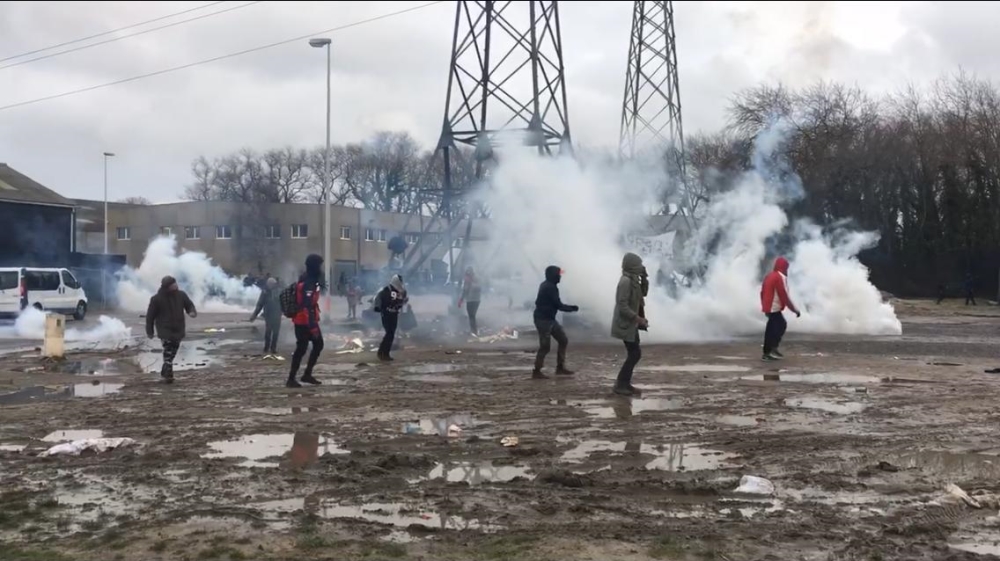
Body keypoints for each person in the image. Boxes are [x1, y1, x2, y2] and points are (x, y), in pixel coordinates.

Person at [145, 275, 197, 384]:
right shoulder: (156, 299)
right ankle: (168, 375)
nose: (175, 285)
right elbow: (150, 317)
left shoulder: (181, 295)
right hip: (165, 329)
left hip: (178, 328)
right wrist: (149, 331)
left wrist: (191, 312)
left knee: (173, 351)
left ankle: (165, 371)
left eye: (175, 283)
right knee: (168, 351)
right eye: (173, 284)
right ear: (167, 287)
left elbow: (189, 305)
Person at [611, 253, 649, 397]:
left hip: (631, 324)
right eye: (638, 264)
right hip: (626, 323)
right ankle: (621, 384)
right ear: (632, 265)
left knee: (634, 353)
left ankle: (624, 384)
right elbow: (622, 305)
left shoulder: (633, 280)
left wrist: (644, 278)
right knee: (635, 353)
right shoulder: (625, 281)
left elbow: (643, 293)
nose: (641, 267)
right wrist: (637, 318)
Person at [532, 265, 579, 379]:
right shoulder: (550, 287)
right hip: (543, 320)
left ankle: (560, 367)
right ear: (553, 276)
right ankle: (537, 371)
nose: (560, 277)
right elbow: (558, 305)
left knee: (563, 340)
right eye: (558, 274)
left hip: (549, 319)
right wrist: (572, 308)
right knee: (545, 346)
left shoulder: (548, 285)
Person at [287, 254, 325, 388]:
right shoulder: (309, 282)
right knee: (302, 349)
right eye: (320, 265)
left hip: (306, 320)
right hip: (305, 321)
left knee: (314, 346)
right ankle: (293, 378)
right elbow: (307, 306)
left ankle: (305, 375)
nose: (321, 268)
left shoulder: (308, 278)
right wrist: (313, 327)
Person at [760, 256, 800, 361]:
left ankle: (768, 352)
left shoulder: (770, 276)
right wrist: (794, 310)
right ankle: (771, 350)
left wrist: (764, 306)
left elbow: (762, 292)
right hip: (773, 308)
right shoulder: (779, 276)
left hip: (768, 307)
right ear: (784, 267)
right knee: (780, 326)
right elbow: (784, 295)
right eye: (786, 268)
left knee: (771, 329)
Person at [375, 275, 408, 362]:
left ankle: (385, 353)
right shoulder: (386, 289)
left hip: (394, 314)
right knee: (389, 333)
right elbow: (378, 297)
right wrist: (378, 307)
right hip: (386, 314)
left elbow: (402, 301)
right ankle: (382, 353)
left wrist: (403, 302)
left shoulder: (402, 291)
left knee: (391, 334)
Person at [250, 277, 283, 359]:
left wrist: (286, 312)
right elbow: (259, 304)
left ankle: (273, 348)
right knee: (268, 331)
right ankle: (266, 347)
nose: (271, 286)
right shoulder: (265, 293)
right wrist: (254, 315)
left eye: (272, 284)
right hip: (268, 315)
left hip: (277, 315)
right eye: (270, 284)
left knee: (276, 333)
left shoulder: (279, 292)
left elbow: (283, 303)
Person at [458, 266, 483, 335]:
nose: (467, 276)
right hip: (469, 300)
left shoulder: (476, 279)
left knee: (472, 315)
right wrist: (461, 300)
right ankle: (473, 330)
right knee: (471, 315)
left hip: (475, 300)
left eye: (469, 274)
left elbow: (479, 288)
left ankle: (474, 330)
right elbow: (464, 291)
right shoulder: (466, 281)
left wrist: (471, 282)